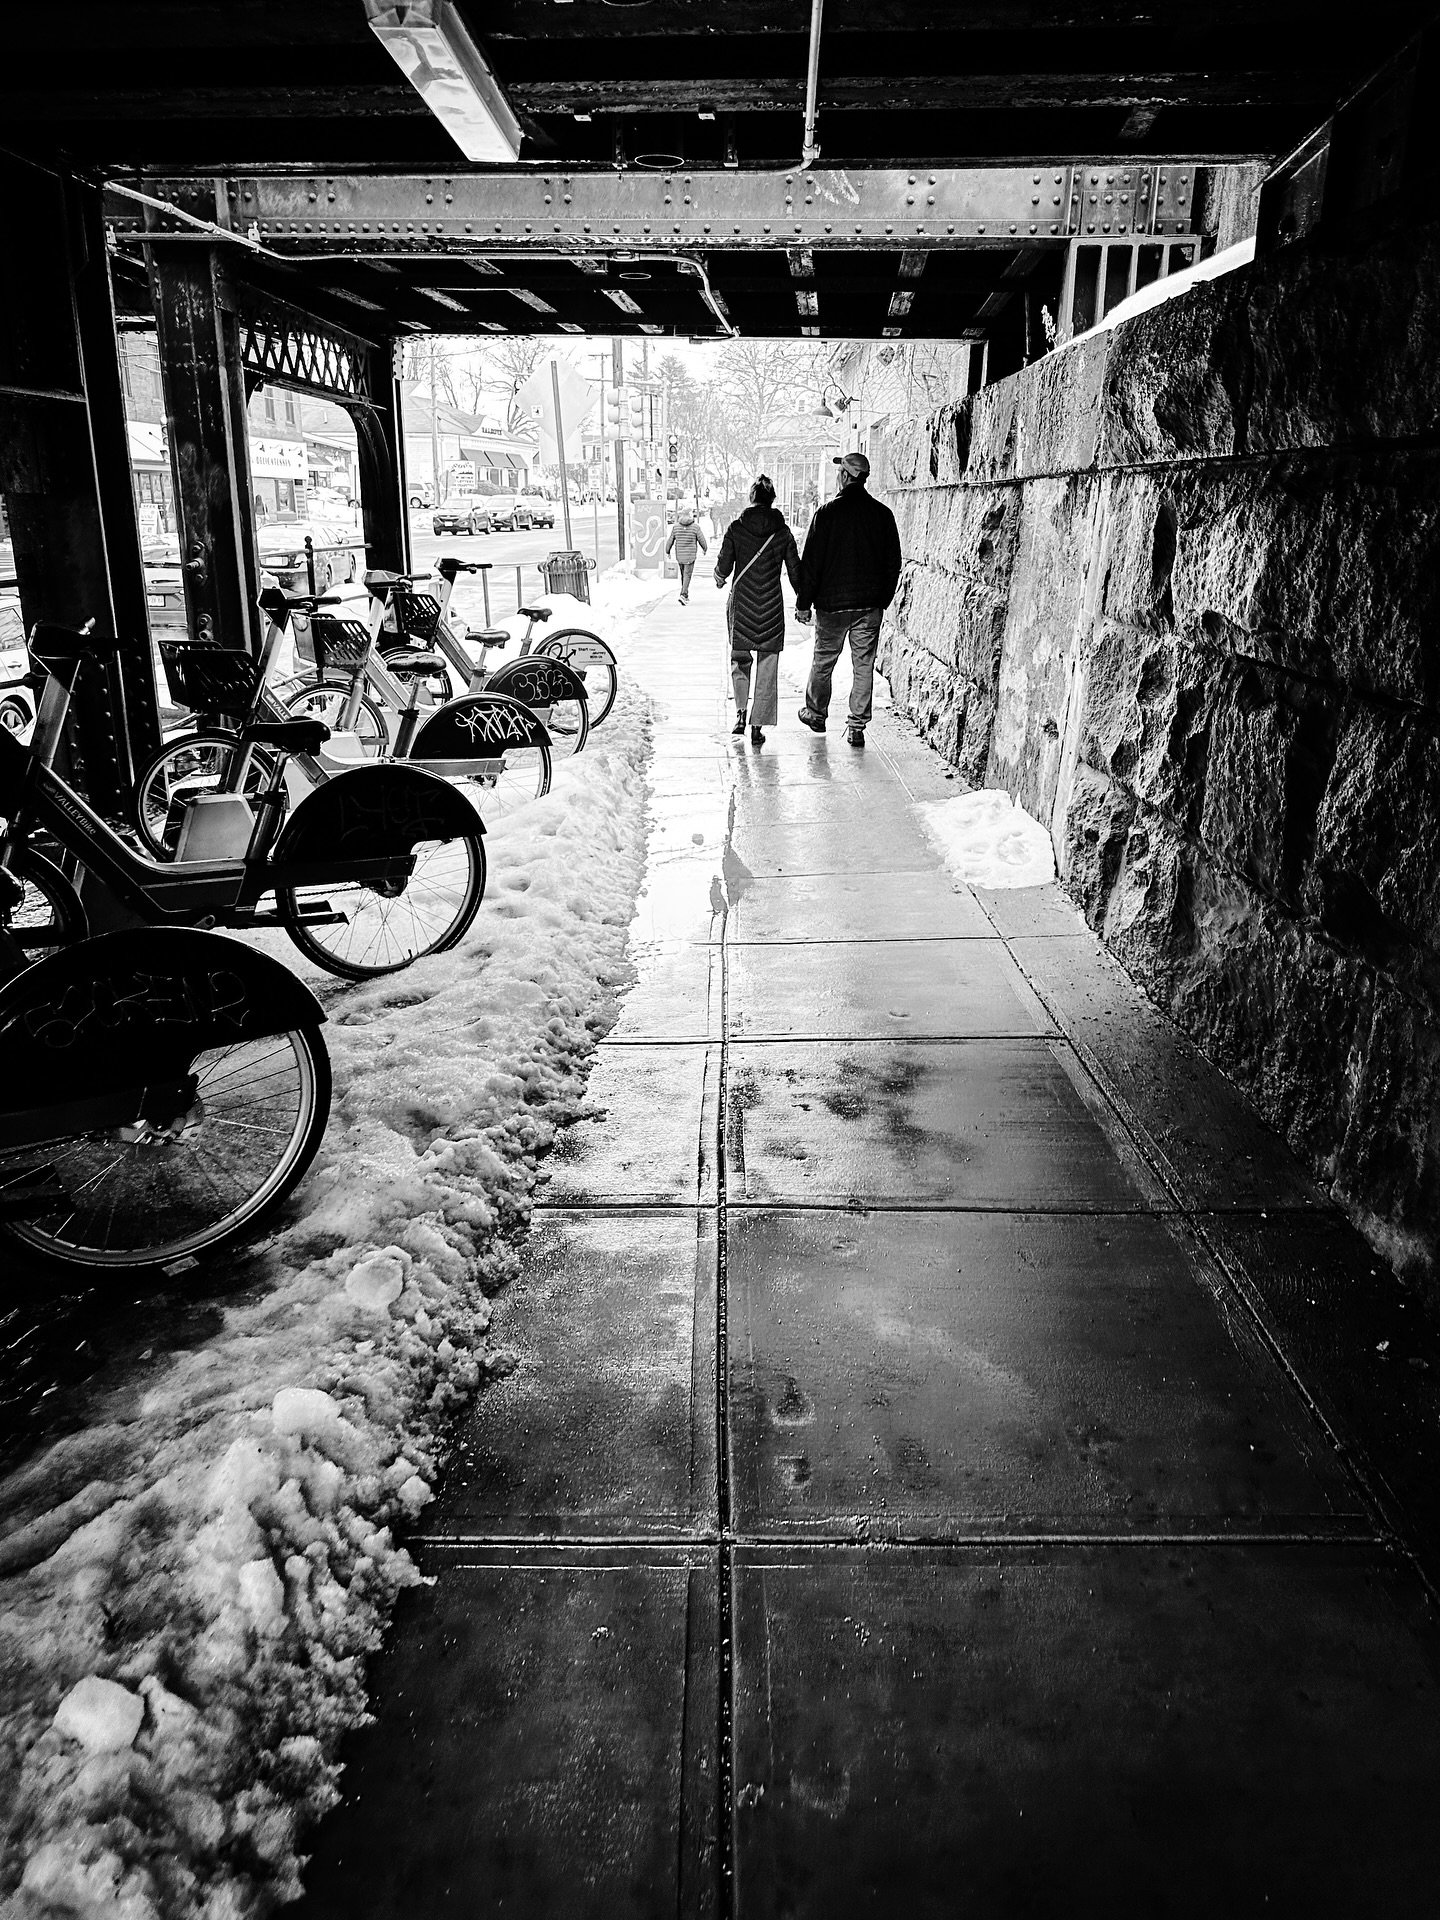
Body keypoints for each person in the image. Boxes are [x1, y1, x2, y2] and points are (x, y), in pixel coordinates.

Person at [795, 450, 903, 748]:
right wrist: (883, 599)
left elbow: (811, 563)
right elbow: (893, 562)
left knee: (823, 661)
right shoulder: (882, 515)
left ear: (845, 476)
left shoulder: (827, 514)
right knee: (863, 665)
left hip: (832, 606)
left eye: (838, 472)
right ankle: (856, 727)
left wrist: (804, 603)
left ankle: (816, 713)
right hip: (869, 605)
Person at [714, 474, 803, 747]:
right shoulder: (783, 532)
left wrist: (719, 576)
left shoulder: (735, 529)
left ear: (752, 498)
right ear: (772, 499)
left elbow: (724, 567)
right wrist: (804, 599)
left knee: (740, 659)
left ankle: (740, 714)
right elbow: (795, 571)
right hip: (771, 607)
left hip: (742, 606)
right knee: (767, 665)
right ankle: (757, 725)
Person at [665, 504, 708, 605]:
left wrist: (668, 551)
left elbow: (670, 540)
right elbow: (702, 540)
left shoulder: (676, 527)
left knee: (683, 575)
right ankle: (683, 594)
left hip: (679, 556)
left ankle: (685, 594)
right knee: (687, 575)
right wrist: (704, 548)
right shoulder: (695, 527)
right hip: (690, 556)